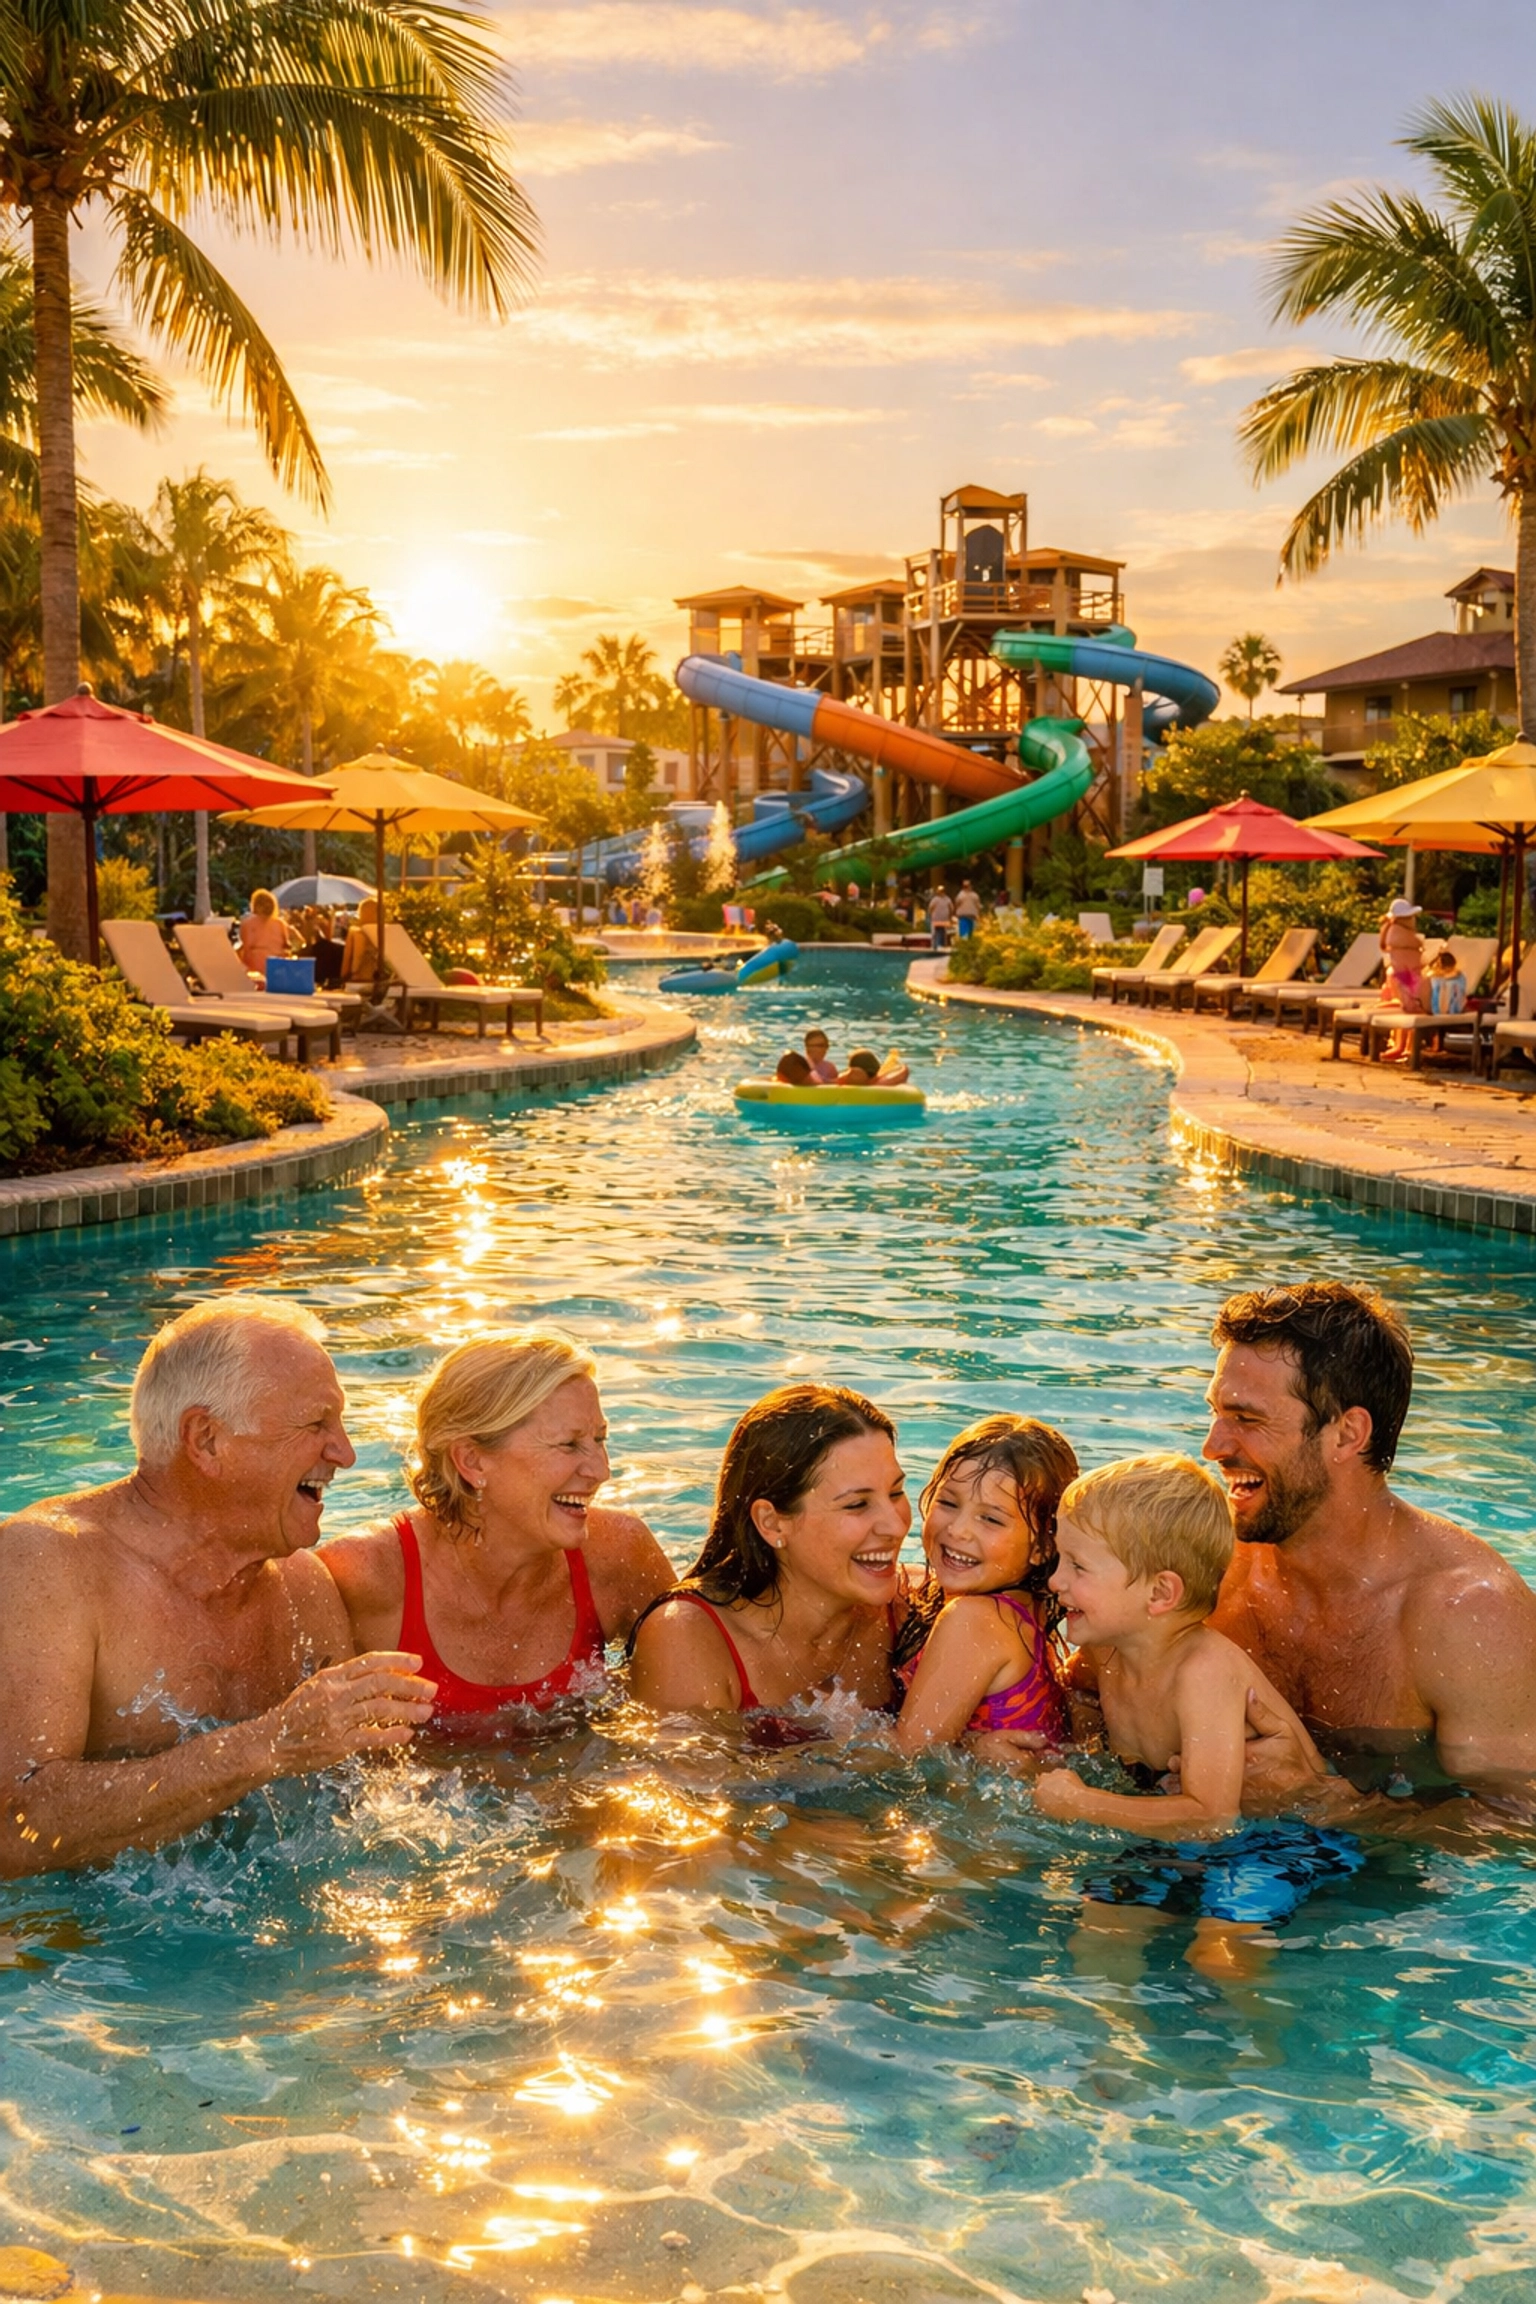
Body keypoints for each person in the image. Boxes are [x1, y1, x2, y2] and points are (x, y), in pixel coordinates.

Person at [0, 1300, 438, 1879]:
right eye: (316, 1425)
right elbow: (15, 1825)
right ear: (206, 1439)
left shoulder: (302, 1587)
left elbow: (365, 1803)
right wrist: (264, 1745)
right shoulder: (48, 1564)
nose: (345, 1453)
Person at [1199, 1283, 1536, 1815]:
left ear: (1347, 1434)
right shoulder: (1205, 1562)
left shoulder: (1469, 1615)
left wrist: (1320, 1800)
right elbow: (1076, 1700)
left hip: (1390, 1886)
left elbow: (1518, 1825)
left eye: (1248, 1418)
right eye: (1216, 1412)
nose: (1213, 1445)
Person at [1036, 1455, 1362, 1972]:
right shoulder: (1107, 1650)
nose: (1056, 1581)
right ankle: (1115, 2049)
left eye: (1078, 1567)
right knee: (1099, 1934)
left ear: (1160, 1593)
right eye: (1060, 1561)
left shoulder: (1203, 1671)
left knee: (1219, 1952)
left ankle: (1256, 2048)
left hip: (1278, 1841)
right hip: (1171, 1833)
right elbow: (1076, 1708)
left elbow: (1212, 1817)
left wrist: (1082, 1803)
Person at [323, 1334, 673, 1732]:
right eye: (569, 1444)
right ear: (472, 1461)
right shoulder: (360, 1580)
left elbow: (690, 1725)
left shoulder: (619, 1556)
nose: (601, 1470)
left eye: (599, 1439)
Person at [628, 1384, 906, 1716]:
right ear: (772, 1523)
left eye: (896, 1492)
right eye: (857, 1504)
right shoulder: (689, 1640)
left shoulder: (910, 1611)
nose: (896, 1525)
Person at [892, 1415, 1075, 1754]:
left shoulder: (974, 1620)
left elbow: (907, 1754)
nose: (958, 1530)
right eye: (947, 1502)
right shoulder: (1026, 1616)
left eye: (990, 1518)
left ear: (1042, 1547)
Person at [1378, 896, 1426, 1060]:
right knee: (1413, 1006)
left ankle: (1400, 1045)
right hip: (1407, 978)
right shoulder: (1405, 937)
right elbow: (1416, 965)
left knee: (1404, 1005)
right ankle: (1407, 1047)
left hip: (1397, 976)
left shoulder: (1390, 932)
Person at [238, 888, 294, 978]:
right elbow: (287, 946)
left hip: (255, 966)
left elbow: (247, 948)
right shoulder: (280, 924)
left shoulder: (247, 923)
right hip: (277, 965)